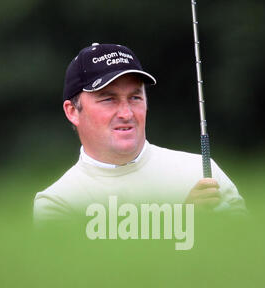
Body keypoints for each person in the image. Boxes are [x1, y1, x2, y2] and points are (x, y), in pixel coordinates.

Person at [33, 42, 246, 223]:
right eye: (108, 99)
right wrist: (183, 223)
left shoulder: (201, 172)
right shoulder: (57, 201)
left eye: (135, 98)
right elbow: (87, 271)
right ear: (72, 112)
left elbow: (251, 255)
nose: (126, 113)